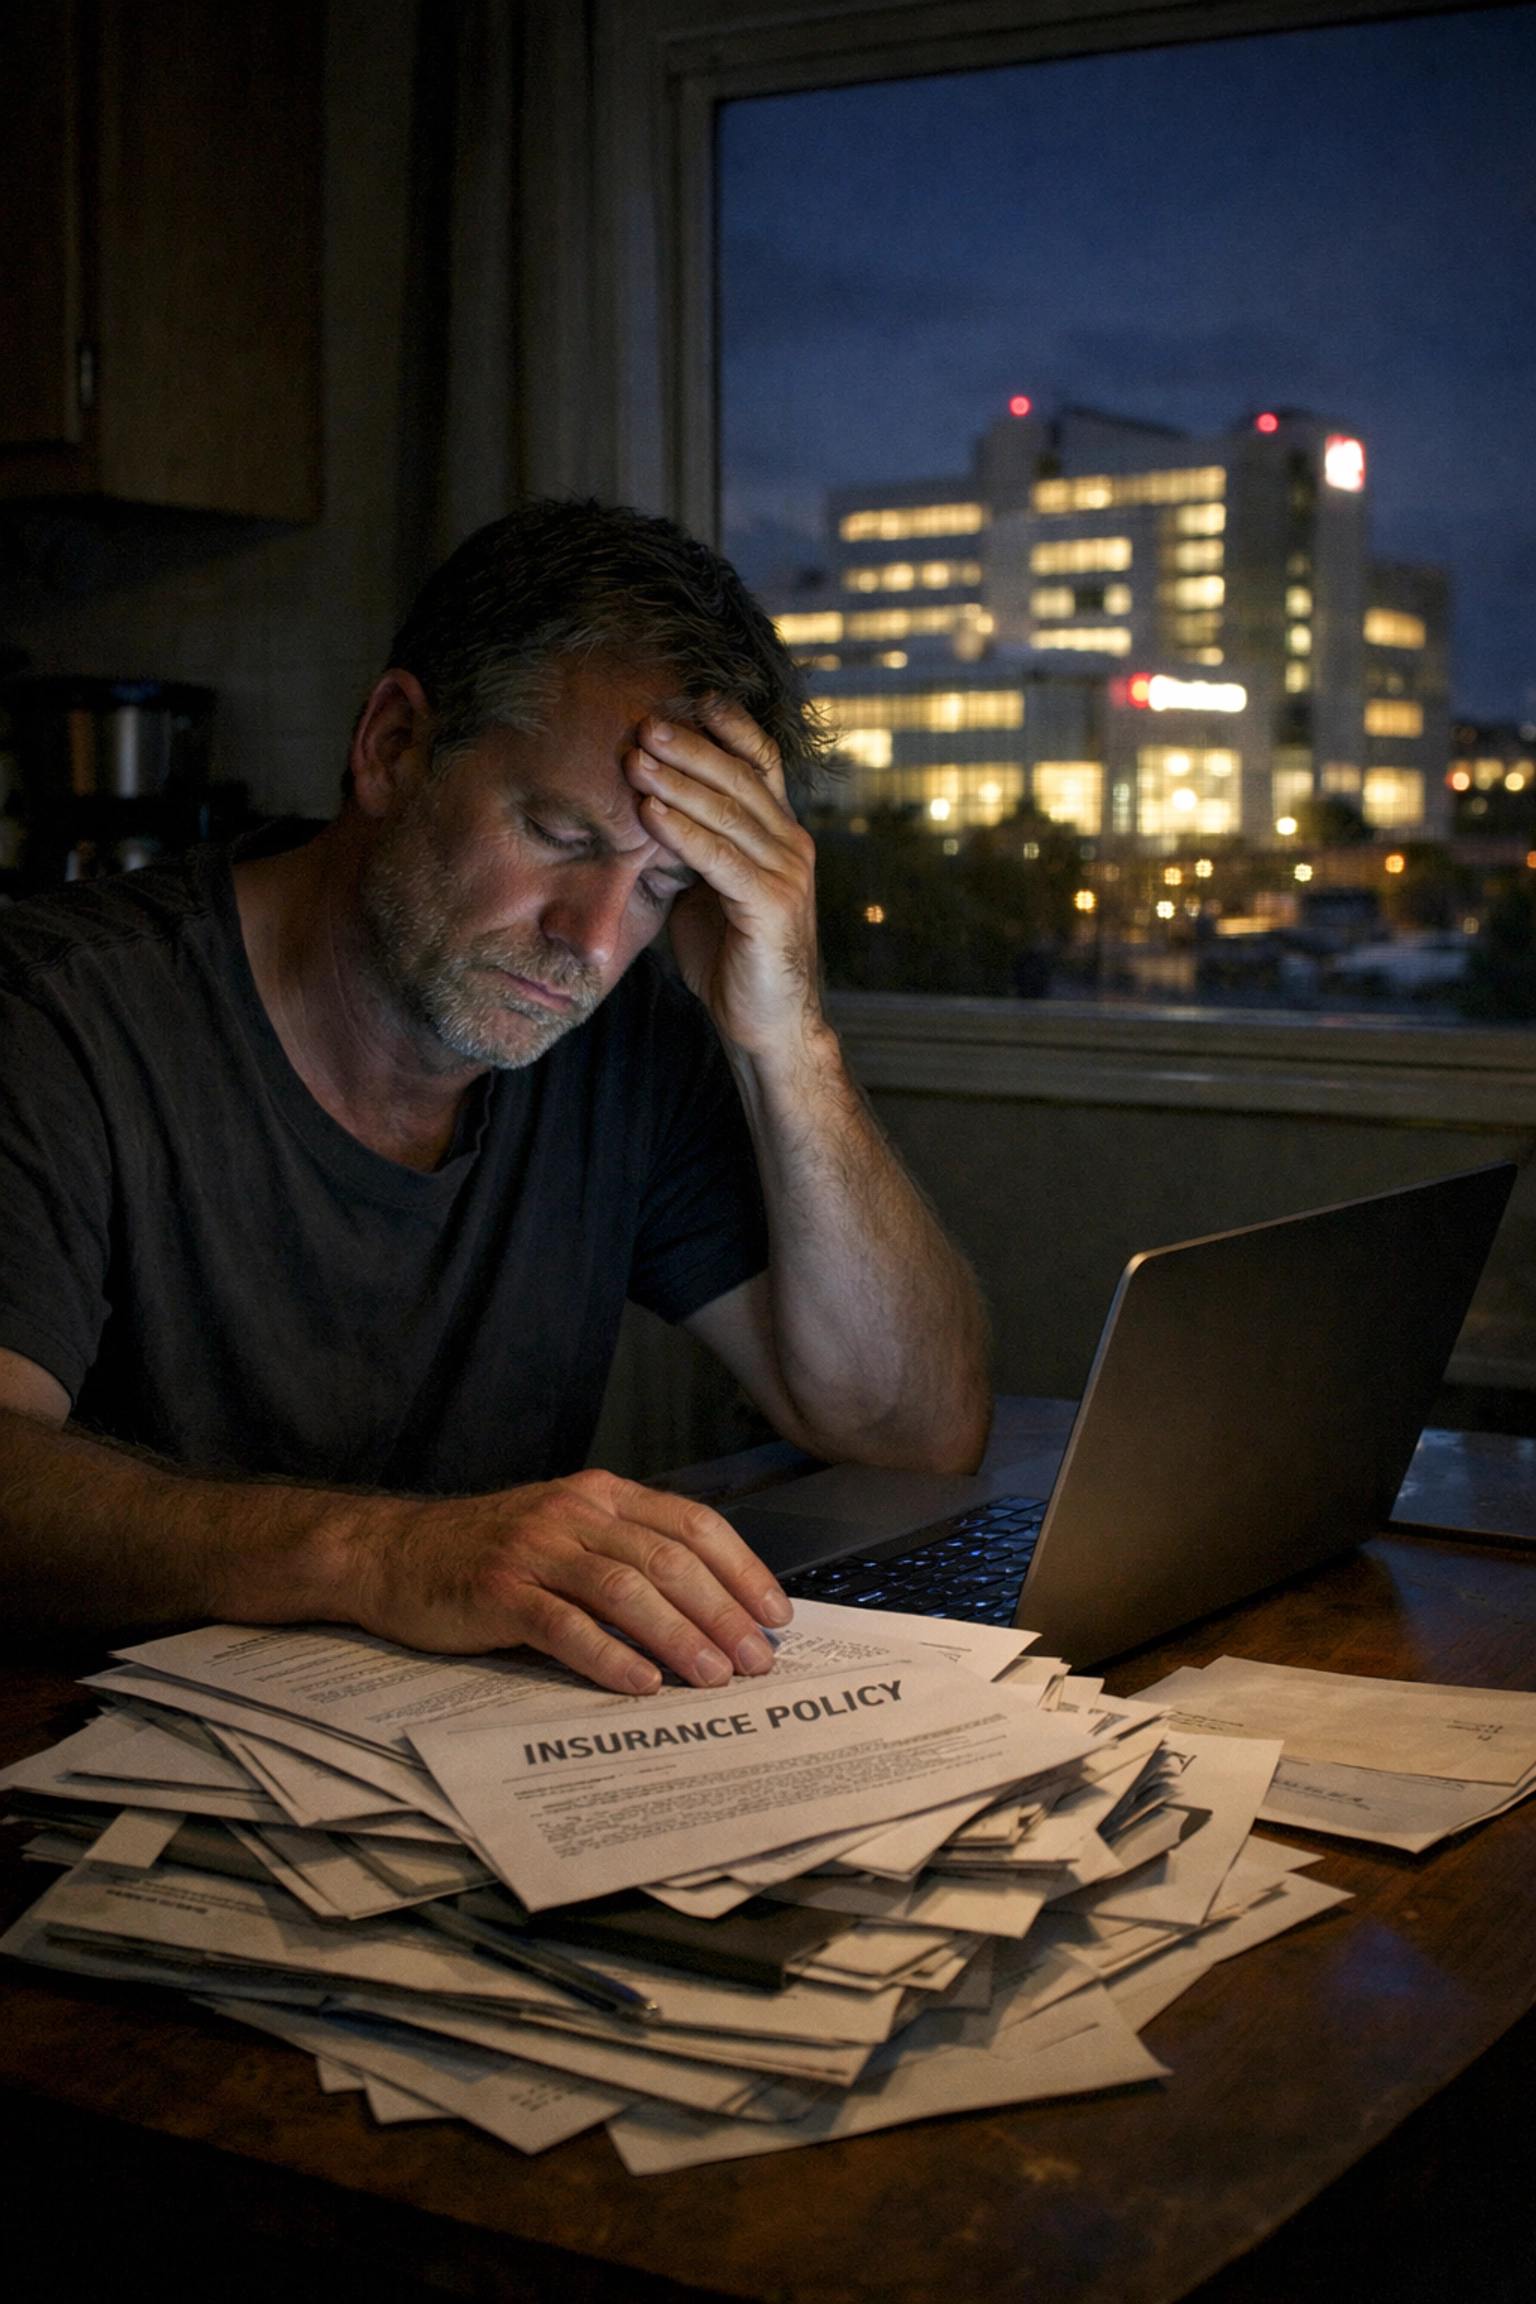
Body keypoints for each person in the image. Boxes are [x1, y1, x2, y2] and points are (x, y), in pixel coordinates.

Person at [0, 501, 989, 1692]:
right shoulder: (53, 1015)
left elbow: (917, 1436)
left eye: (664, 886)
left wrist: (792, 1040)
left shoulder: (628, 1044)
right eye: (558, 832)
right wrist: (382, 1554)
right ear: (394, 746)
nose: (593, 941)